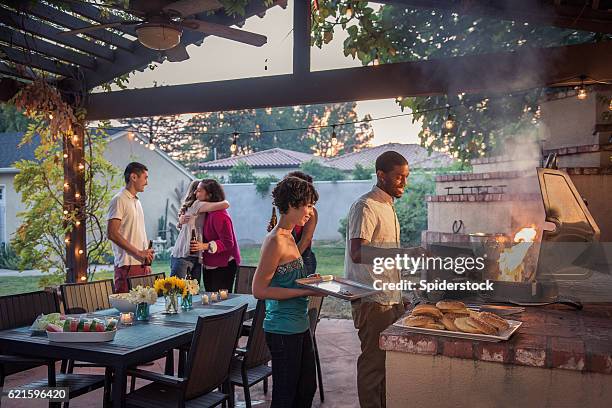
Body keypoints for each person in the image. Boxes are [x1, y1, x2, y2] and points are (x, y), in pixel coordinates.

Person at [344, 151, 425, 408]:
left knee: (388, 366)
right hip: (372, 300)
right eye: (399, 177)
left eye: (406, 177)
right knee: (373, 367)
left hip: (389, 297)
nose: (404, 182)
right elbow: (358, 253)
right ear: (381, 176)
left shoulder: (387, 205)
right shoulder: (365, 206)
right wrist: (405, 252)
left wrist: (400, 294)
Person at [252, 176, 322, 408]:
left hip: (298, 325)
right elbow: (259, 290)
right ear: (292, 204)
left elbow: (288, 278)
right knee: (285, 396)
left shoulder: (289, 235)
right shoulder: (275, 241)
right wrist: (302, 292)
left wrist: (310, 282)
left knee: (306, 387)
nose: (311, 212)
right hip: (282, 329)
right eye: (308, 205)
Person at [107, 162, 154, 293]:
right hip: (127, 266)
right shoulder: (119, 200)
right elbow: (112, 233)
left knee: (143, 309)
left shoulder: (136, 201)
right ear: (134, 177)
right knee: (127, 311)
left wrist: (146, 261)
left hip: (141, 265)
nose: (147, 182)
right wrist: (138, 253)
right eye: (145, 178)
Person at [171, 180, 230, 283]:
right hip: (185, 255)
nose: (195, 193)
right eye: (196, 190)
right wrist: (225, 201)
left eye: (199, 191)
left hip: (194, 255)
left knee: (192, 291)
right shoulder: (198, 205)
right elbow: (225, 205)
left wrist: (180, 222)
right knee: (176, 289)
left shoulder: (198, 208)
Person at [189, 179, 240, 292]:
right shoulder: (207, 211)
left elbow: (228, 242)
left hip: (224, 264)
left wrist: (204, 246)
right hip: (211, 263)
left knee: (220, 302)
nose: (195, 193)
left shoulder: (219, 215)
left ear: (209, 195)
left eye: (199, 191)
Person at [267, 171, 318, 275]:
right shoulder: (276, 239)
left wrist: (292, 262)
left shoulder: (309, 213)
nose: (310, 210)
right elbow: (260, 289)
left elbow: (306, 239)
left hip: (303, 256)